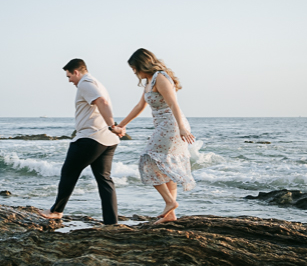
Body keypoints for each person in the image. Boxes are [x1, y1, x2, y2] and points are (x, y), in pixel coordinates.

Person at [114, 48, 194, 222]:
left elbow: (174, 104)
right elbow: (139, 107)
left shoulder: (161, 77)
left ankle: (170, 202)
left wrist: (181, 127)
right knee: (165, 167)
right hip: (163, 126)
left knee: (147, 159)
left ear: (143, 64)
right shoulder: (149, 81)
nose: (134, 72)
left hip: (172, 125)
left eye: (135, 68)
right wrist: (121, 126)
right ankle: (171, 215)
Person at [42, 59, 122, 225]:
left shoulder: (85, 83)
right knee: (104, 180)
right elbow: (103, 103)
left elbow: (102, 102)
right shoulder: (97, 83)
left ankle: (56, 211)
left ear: (76, 72)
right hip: (107, 140)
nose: (69, 80)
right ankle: (111, 222)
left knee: (68, 174)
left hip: (90, 138)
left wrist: (112, 125)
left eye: (69, 76)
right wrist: (111, 128)